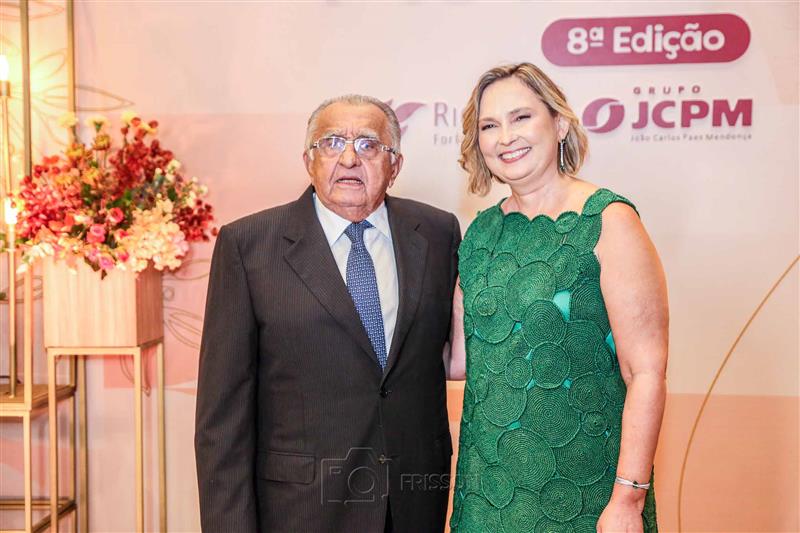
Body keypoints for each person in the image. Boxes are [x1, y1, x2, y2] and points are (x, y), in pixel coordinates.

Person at [195, 94, 461, 533]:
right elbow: (221, 419)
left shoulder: (437, 232)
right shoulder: (249, 246)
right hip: (301, 509)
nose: (350, 159)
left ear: (395, 165)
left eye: (369, 145)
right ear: (309, 160)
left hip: (412, 503)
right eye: (333, 143)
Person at [445, 63, 668, 532]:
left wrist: (628, 499)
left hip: (586, 493)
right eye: (489, 125)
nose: (506, 137)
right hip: (488, 494)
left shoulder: (609, 221)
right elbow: (461, 361)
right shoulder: (480, 234)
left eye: (521, 117)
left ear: (560, 124)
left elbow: (645, 372)